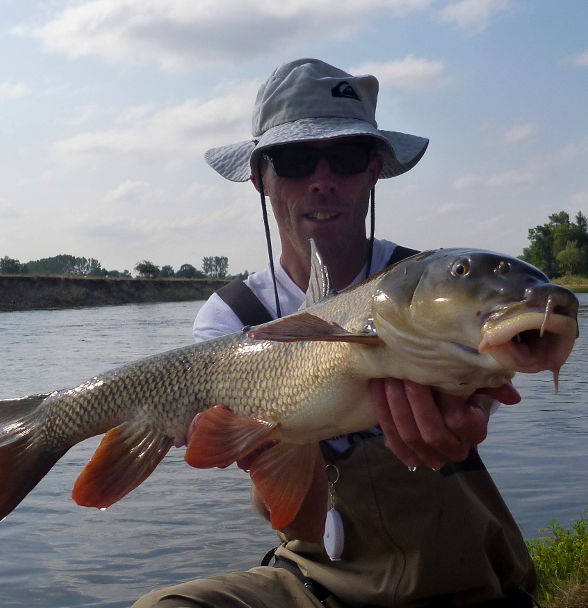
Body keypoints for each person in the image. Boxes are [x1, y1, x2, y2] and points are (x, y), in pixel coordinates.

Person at [133, 58, 535, 608]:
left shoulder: (437, 288)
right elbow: (294, 521)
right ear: (261, 177)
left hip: (465, 573)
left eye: (345, 157)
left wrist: (459, 423)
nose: (322, 181)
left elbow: (480, 401)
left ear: (373, 170)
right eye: (296, 160)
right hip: (319, 582)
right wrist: (257, 451)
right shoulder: (232, 317)